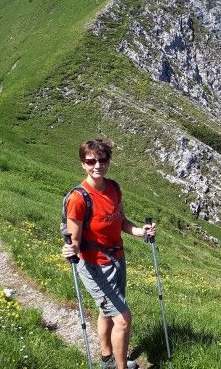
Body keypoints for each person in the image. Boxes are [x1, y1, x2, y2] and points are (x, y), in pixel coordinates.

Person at [61, 139, 155, 369]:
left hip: (117, 260)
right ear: (83, 163)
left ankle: (106, 357)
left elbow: (121, 221)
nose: (97, 165)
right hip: (94, 266)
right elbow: (73, 240)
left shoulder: (113, 188)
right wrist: (68, 250)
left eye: (102, 160)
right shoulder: (78, 199)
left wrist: (141, 231)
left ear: (108, 162)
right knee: (122, 320)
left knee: (107, 312)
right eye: (90, 161)